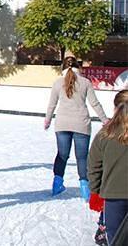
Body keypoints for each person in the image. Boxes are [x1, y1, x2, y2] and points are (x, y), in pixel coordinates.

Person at [45, 53, 108, 200]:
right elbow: (94, 103)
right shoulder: (85, 82)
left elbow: (52, 104)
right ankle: (85, 190)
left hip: (62, 124)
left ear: (63, 67)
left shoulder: (57, 82)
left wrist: (47, 120)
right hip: (81, 124)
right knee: (82, 157)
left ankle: (57, 184)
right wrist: (105, 120)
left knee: (62, 155)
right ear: (78, 67)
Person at [87, 90, 128, 246]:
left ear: (116, 108)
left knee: (116, 238)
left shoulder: (105, 134)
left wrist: (95, 191)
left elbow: (94, 166)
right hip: (112, 195)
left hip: (113, 196)